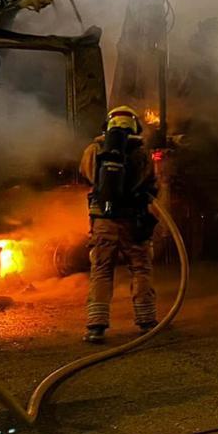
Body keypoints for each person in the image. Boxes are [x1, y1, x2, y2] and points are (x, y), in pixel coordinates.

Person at [79, 106, 159, 343]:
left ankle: (96, 326)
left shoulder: (94, 150)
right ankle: (146, 321)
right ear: (134, 125)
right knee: (140, 269)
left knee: (102, 271)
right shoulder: (142, 153)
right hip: (132, 222)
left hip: (103, 222)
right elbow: (152, 183)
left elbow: (87, 175)